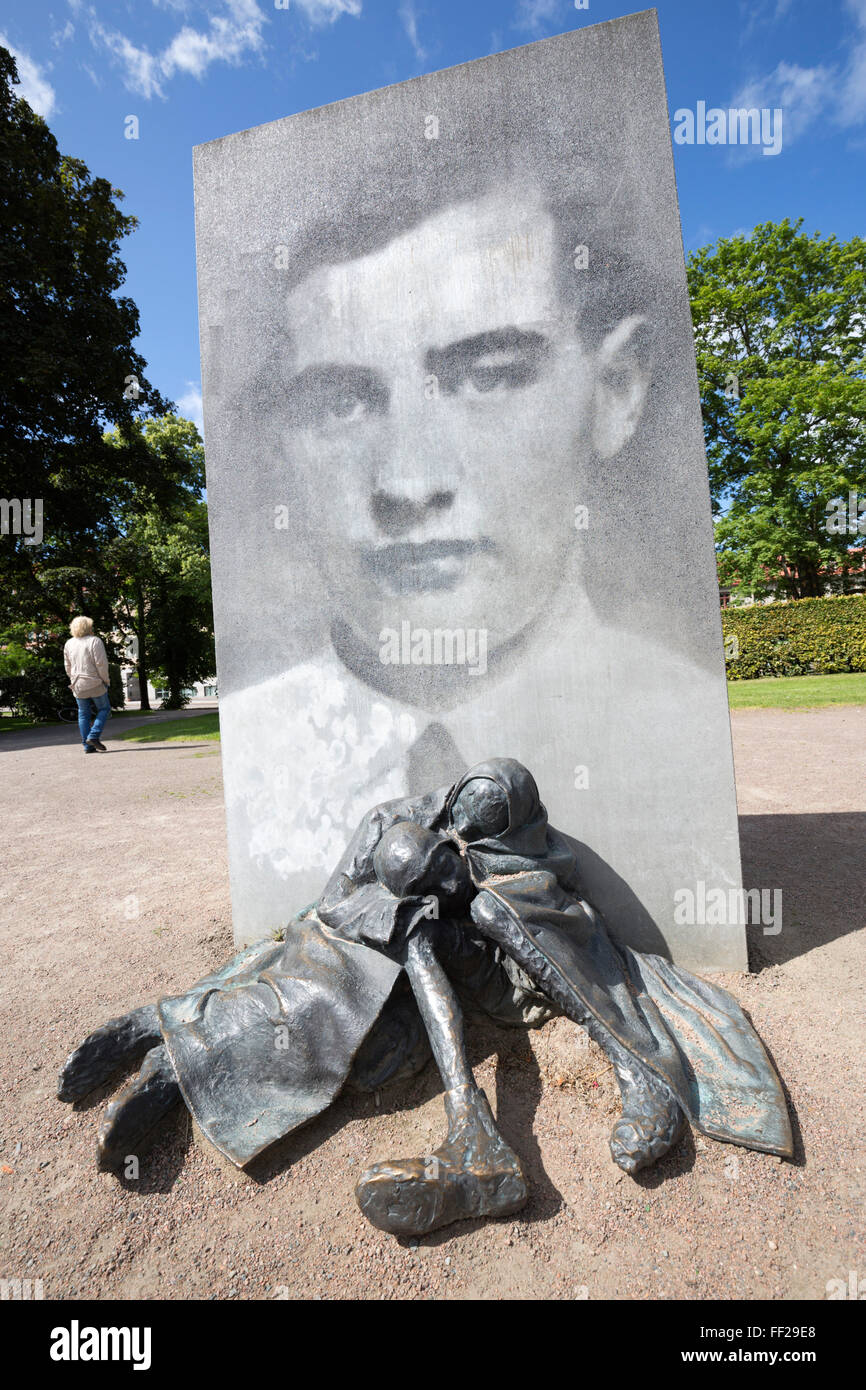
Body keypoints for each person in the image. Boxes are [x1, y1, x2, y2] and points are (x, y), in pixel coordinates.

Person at [57, 759, 792, 1238]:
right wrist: (400, 908)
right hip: (376, 962)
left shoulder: (517, 841)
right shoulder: (387, 824)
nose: (461, 852)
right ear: (442, 813)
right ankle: (170, 1054)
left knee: (459, 950)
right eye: (453, 844)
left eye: (470, 847)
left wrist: (470, 896)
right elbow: (328, 908)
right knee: (308, 1007)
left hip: (472, 968)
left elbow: (557, 920)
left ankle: (634, 1078)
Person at [64, 616, 111, 753]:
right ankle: (94, 736)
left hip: (78, 684)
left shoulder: (69, 643)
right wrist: (106, 680)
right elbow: (101, 664)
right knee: (104, 709)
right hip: (95, 682)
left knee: (83, 714)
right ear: (88, 627)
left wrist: (73, 679)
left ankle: (87, 746)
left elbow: (68, 666)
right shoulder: (95, 641)